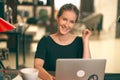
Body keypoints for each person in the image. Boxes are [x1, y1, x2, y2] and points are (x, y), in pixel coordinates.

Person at [34, 3, 92, 80]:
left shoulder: (79, 42)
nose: (67, 25)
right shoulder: (45, 41)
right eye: (64, 19)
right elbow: (37, 66)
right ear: (57, 18)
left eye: (71, 22)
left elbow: (87, 68)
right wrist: (50, 78)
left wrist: (86, 41)